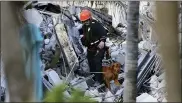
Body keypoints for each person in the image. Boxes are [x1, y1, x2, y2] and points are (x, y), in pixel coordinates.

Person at [79, 9, 107, 86]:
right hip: (90, 48)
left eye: (86, 21)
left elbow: (103, 32)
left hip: (99, 48)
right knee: (91, 63)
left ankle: (99, 81)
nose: (85, 22)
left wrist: (102, 41)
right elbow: (83, 32)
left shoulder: (95, 24)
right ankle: (93, 78)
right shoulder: (84, 26)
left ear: (90, 19)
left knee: (97, 62)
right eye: (83, 21)